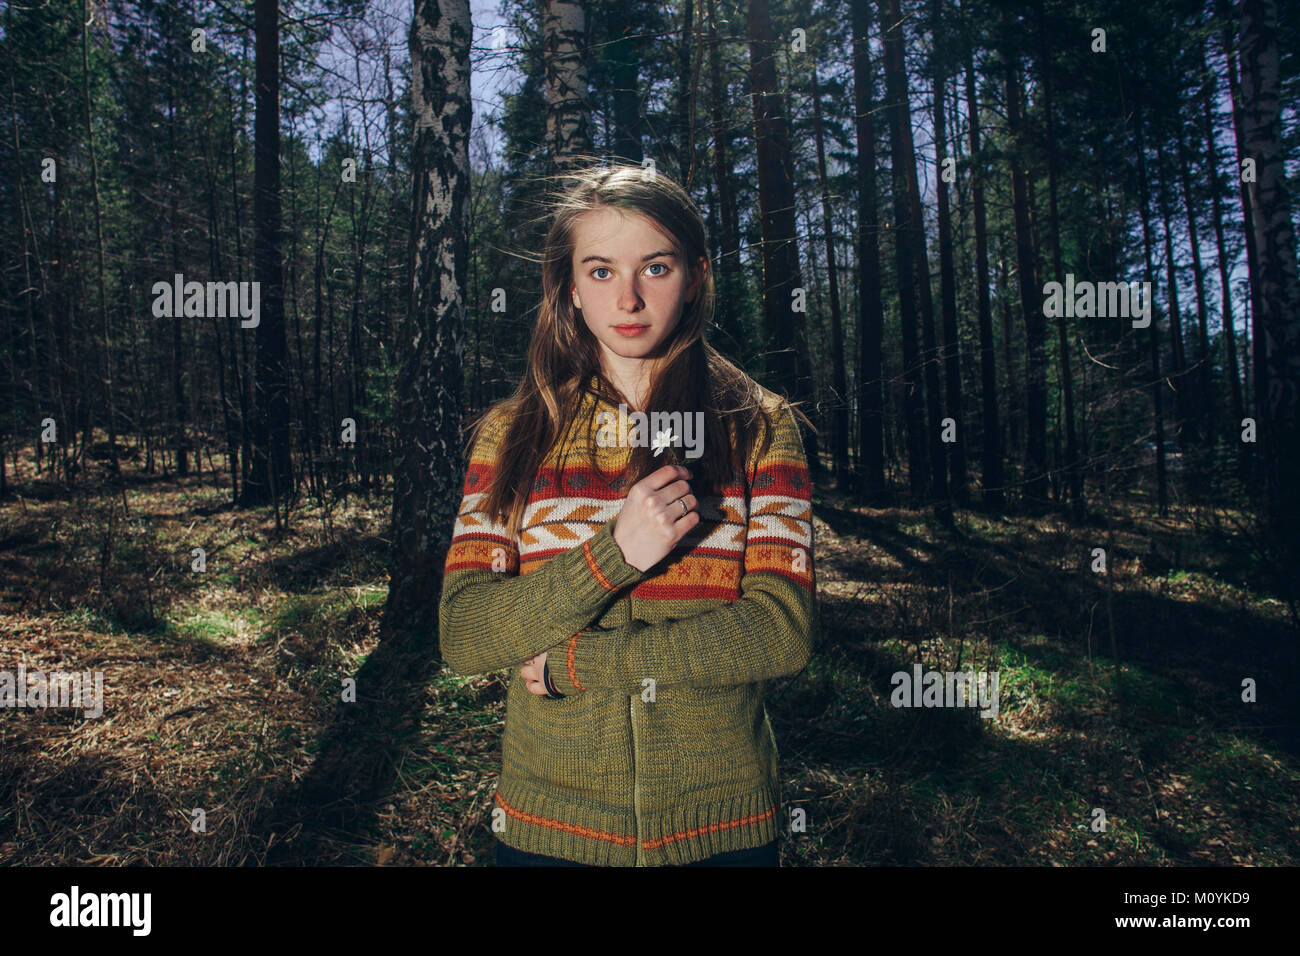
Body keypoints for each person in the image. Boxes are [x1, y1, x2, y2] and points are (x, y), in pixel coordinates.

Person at [438, 161, 817, 867]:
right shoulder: (512, 434)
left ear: (696, 276)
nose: (631, 298)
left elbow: (782, 631)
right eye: (603, 271)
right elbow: (464, 635)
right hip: (548, 835)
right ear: (571, 288)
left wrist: (581, 662)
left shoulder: (758, 427)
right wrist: (612, 554)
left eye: (657, 267)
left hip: (721, 834)